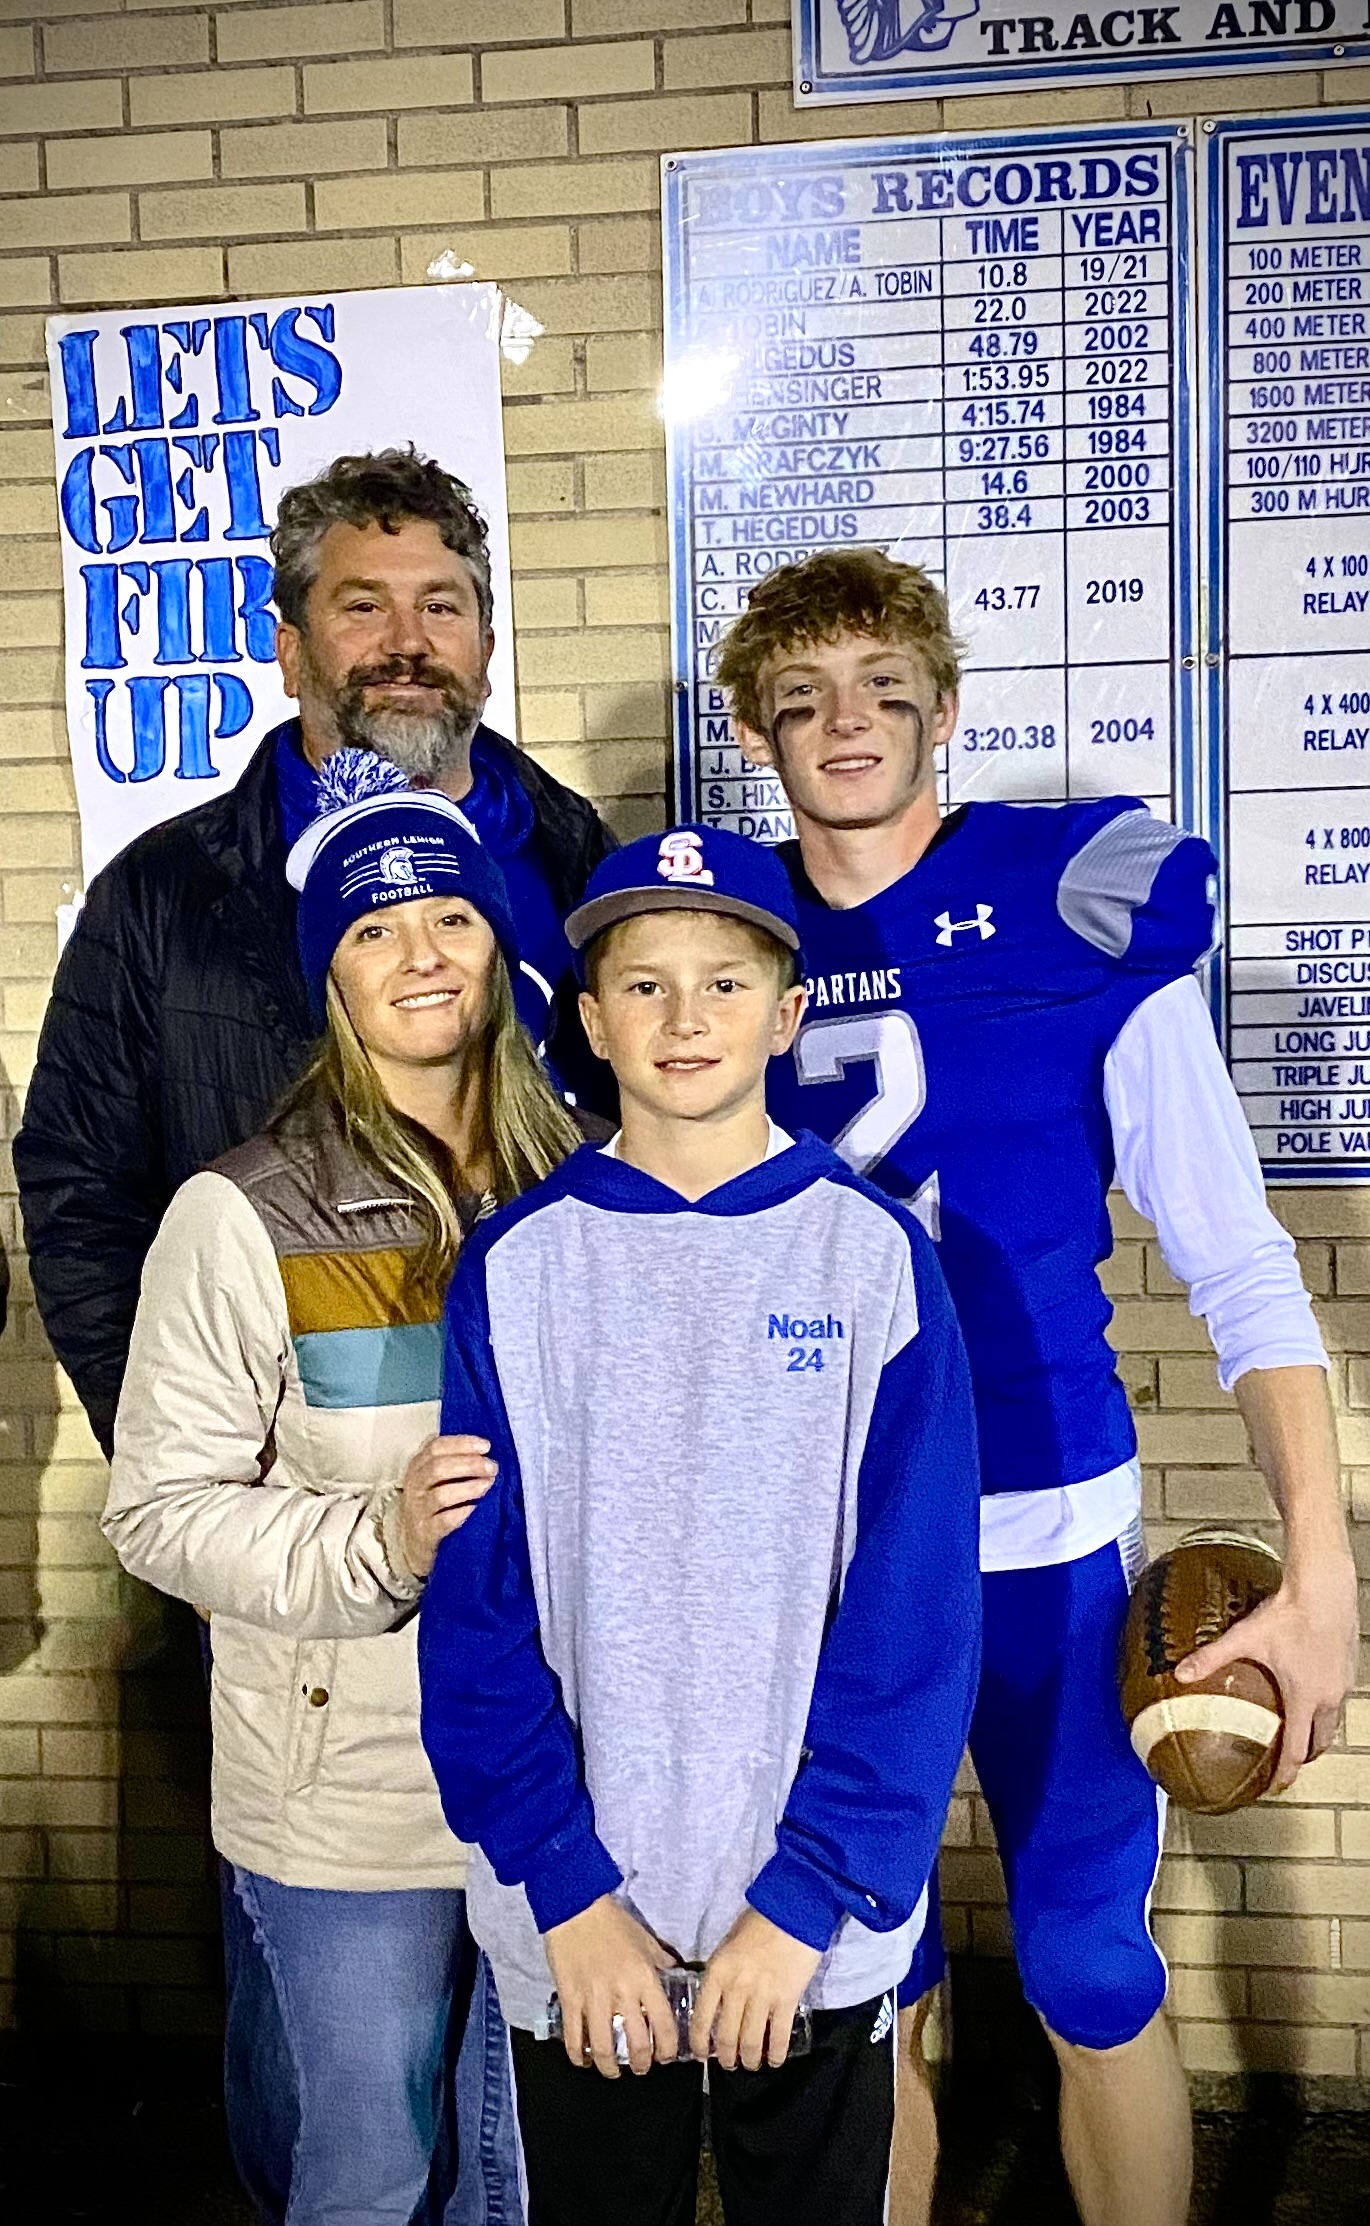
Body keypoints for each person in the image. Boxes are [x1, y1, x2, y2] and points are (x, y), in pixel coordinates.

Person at [714, 546, 1360, 2226]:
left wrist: (1325, 1567)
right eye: (801, 697)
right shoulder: (713, 939)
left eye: (882, 686)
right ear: (754, 734)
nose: (845, 721)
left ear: (945, 708)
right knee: (865, 1979)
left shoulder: (1075, 899)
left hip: (1040, 1521)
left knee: (1085, 1955)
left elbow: (1239, 1261)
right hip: (817, 1541)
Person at [417, 825, 983, 2226]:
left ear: (787, 1015)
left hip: (803, 1926)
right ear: (589, 1019)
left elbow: (914, 1621)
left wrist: (806, 1899)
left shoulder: (872, 1260)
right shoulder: (516, 1266)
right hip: (581, 1924)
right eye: (645, 985)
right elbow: (476, 1611)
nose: (685, 1019)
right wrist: (566, 1894)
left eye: (724, 983)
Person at [101, 755, 590, 2225]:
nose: (418, 953)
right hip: (350, 1796)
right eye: (373, 928)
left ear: (497, 942)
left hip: (555, 1784)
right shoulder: (242, 1210)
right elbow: (158, 1508)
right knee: (370, 2173)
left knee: (514, 2177)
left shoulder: (590, 1186)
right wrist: (380, 1539)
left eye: (448, 915)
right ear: (331, 976)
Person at [17, 444, 615, 1463]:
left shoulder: (585, 865)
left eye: (439, 607)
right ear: (291, 651)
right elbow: (82, 1196)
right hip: (305, 1474)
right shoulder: (164, 895)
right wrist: (188, 1460)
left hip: (570, 1448)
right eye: (362, 607)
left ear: (485, 647)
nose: (406, 643)